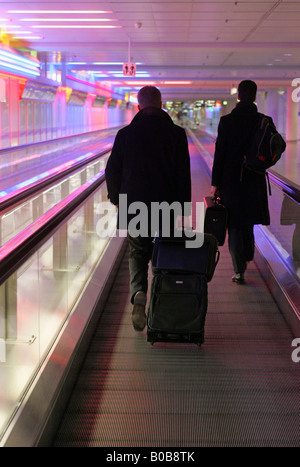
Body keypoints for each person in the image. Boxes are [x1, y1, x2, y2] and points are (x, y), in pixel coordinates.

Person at [105, 86, 191, 331]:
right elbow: (183, 174)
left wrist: (116, 199)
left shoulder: (126, 134)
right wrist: (183, 208)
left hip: (134, 204)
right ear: (161, 103)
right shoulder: (176, 134)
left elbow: (112, 171)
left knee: (138, 252)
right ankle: (165, 301)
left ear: (139, 106)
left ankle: (139, 293)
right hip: (168, 203)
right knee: (165, 252)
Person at [211, 79, 275, 284]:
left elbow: (219, 154)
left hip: (231, 181)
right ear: (255, 97)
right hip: (254, 179)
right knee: (248, 222)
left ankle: (239, 270)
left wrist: (215, 183)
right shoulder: (264, 121)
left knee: (235, 225)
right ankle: (247, 254)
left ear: (238, 96)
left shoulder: (227, 121)